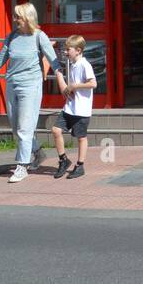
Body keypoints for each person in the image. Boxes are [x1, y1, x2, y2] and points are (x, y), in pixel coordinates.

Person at [0, 3, 58, 184]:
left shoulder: (40, 37)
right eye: (15, 16)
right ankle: (38, 152)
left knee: (24, 128)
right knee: (17, 127)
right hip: (12, 85)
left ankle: (22, 165)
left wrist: (62, 78)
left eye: (18, 16)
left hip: (30, 87)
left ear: (28, 18)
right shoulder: (12, 37)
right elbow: (0, 60)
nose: (15, 19)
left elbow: (53, 60)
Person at [52, 34, 96, 180]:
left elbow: (93, 84)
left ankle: (80, 165)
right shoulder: (72, 65)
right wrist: (63, 81)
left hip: (81, 109)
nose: (65, 52)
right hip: (69, 107)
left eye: (68, 49)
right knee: (56, 130)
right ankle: (63, 160)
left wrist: (75, 86)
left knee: (81, 137)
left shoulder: (85, 64)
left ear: (78, 50)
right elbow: (68, 88)